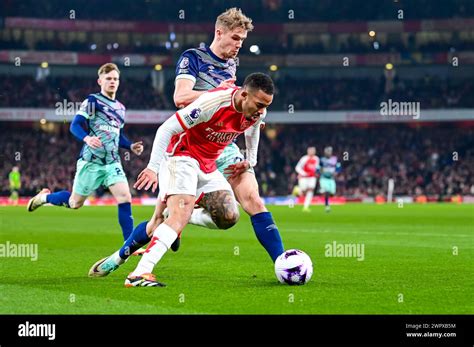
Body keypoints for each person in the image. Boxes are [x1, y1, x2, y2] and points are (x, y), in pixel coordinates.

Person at [89, 73, 274, 287]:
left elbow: (253, 129)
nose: (262, 111)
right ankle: (139, 273)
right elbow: (167, 128)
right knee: (175, 215)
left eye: (266, 106)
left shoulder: (256, 111)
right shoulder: (213, 103)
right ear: (243, 95)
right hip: (181, 157)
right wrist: (152, 168)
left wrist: (251, 160)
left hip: (207, 165)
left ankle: (116, 258)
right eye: (259, 104)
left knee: (229, 216)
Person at [171, 7, 284, 263]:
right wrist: (221, 94)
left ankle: (282, 261)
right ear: (218, 32)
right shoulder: (193, 58)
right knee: (175, 213)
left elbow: (234, 104)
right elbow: (181, 98)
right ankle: (167, 228)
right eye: (235, 38)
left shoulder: (232, 64)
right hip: (193, 146)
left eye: (242, 40)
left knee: (253, 199)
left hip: (225, 145)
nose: (239, 45)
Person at [26, 63, 144, 241]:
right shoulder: (93, 101)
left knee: (125, 197)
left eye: (115, 79)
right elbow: (75, 125)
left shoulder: (121, 108)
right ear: (100, 81)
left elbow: (116, 134)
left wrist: (130, 146)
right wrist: (87, 139)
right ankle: (45, 198)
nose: (112, 82)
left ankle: (129, 245)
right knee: (75, 203)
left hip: (112, 163)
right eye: (108, 79)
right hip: (91, 162)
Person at [295, 147, 319, 212]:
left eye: (313, 151)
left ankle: (306, 206)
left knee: (311, 189)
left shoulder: (316, 158)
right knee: (303, 191)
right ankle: (297, 189)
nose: (312, 152)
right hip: (304, 177)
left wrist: (317, 173)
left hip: (312, 177)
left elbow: (317, 167)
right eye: (310, 151)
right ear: (308, 151)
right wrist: (303, 173)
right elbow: (297, 167)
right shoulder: (304, 158)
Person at [318, 146, 341, 212]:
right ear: (325, 152)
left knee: (332, 193)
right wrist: (320, 172)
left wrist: (336, 172)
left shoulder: (335, 159)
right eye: (327, 151)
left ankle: (322, 191)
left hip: (331, 178)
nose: (328, 153)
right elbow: (318, 167)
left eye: (329, 151)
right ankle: (327, 205)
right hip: (324, 178)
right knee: (327, 192)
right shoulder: (322, 159)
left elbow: (338, 166)